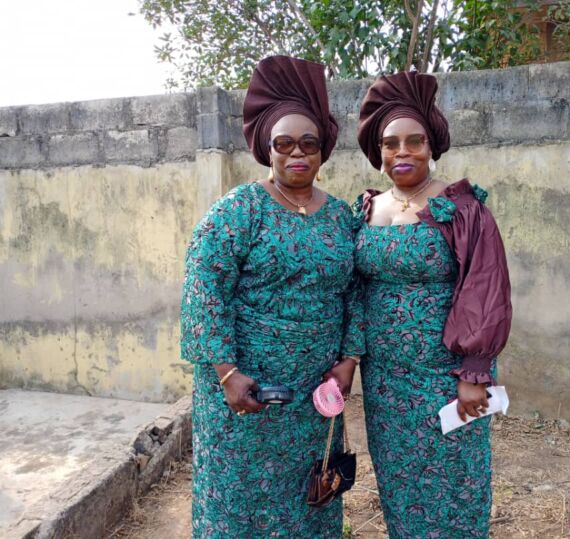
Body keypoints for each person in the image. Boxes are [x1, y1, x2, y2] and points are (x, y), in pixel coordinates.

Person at [180, 55, 363, 538]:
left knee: (310, 495)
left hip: (313, 393)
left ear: (323, 151)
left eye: (309, 143)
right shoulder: (240, 210)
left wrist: (348, 360)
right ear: (268, 148)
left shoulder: (343, 216)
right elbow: (204, 289)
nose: (296, 153)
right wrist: (226, 372)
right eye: (284, 143)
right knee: (242, 499)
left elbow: (355, 290)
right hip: (247, 389)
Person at [353, 71, 512, 538]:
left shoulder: (461, 210)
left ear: (432, 145)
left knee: (455, 486)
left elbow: (486, 289)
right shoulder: (366, 210)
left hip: (445, 377)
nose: (402, 152)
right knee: (400, 485)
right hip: (384, 383)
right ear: (378, 153)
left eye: (414, 141)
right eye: (390, 143)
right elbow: (353, 289)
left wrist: (474, 373)